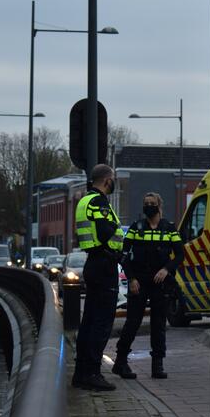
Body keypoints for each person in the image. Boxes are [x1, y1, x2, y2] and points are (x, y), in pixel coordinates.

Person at [112, 192, 184, 380]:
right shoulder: (137, 228)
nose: (149, 206)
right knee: (133, 322)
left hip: (160, 283)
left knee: (158, 324)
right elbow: (124, 256)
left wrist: (167, 269)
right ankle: (120, 361)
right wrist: (132, 278)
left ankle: (157, 364)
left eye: (152, 203)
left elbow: (180, 255)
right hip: (139, 282)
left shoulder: (169, 229)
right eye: (146, 203)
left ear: (160, 206)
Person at [71, 164, 125, 391]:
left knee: (89, 321)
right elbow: (104, 232)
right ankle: (92, 373)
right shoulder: (99, 202)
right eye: (112, 179)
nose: (114, 183)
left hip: (94, 263)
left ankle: (81, 373)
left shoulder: (84, 200)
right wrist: (116, 231)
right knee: (101, 323)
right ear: (105, 180)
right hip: (104, 265)